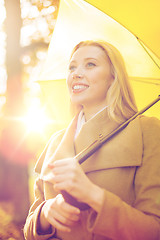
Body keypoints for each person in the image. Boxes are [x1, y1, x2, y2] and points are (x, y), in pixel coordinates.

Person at [24, 40, 160, 240]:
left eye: (90, 64)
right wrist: (45, 213)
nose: (76, 73)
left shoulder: (146, 131)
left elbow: (154, 231)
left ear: (113, 77)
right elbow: (29, 229)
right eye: (72, 67)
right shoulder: (55, 141)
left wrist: (94, 196)